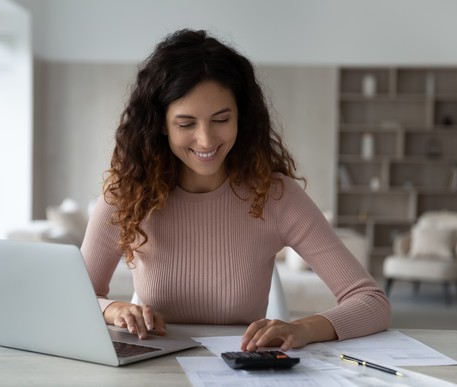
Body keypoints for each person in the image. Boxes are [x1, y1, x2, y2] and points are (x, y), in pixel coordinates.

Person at [81, 29, 391, 352]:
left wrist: (304, 327)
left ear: (241, 116)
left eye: (221, 119)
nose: (206, 140)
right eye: (186, 123)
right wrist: (112, 309)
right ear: (160, 124)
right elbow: (75, 300)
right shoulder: (126, 197)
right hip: (156, 373)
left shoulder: (276, 196)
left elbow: (371, 301)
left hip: (241, 372)